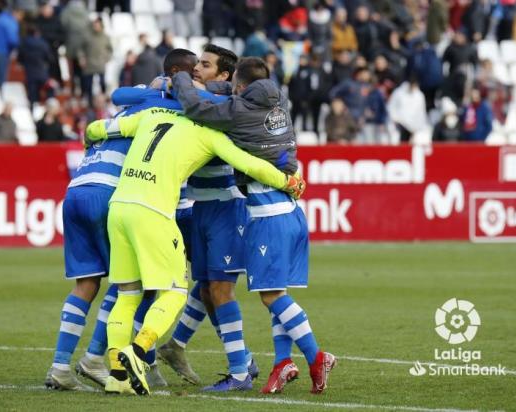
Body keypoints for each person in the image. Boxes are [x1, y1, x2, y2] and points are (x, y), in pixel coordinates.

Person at [83, 94, 304, 398]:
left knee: (127, 294)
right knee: (174, 292)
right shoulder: (208, 134)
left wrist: (88, 136)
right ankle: (137, 350)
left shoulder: (152, 117)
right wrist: (289, 182)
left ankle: (117, 375)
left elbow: (99, 128)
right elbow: (252, 164)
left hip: (118, 209)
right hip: (153, 212)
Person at [171, 56, 336, 395]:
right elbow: (230, 94)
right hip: (291, 212)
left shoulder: (240, 111)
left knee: (271, 296)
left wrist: (182, 80)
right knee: (277, 292)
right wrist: (217, 87)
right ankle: (281, 362)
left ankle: (316, 356)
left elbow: (195, 107)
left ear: (240, 86)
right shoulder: (279, 103)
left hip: (266, 217)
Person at [45, 49, 202, 393]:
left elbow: (118, 95)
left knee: (86, 284)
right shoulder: (172, 105)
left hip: (77, 188)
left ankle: (60, 367)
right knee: (126, 285)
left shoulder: (136, 102)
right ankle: (98, 359)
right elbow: (202, 105)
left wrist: (154, 85)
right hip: (110, 191)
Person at [156, 45, 259, 389]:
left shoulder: (226, 104)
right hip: (199, 207)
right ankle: (236, 358)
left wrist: (182, 85)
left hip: (226, 208)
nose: (195, 68)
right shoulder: (197, 97)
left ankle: (240, 372)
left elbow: (214, 95)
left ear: (225, 75)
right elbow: (123, 94)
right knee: (207, 289)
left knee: (220, 288)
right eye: (196, 63)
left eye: (204, 64)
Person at [17, 26, 54, 107]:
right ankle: (50, 105)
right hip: (42, 72)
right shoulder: (43, 44)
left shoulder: (23, 43)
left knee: (32, 95)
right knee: (50, 89)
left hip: (30, 73)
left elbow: (20, 58)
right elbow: (49, 57)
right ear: (37, 33)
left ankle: (33, 110)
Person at [387, 78, 429, 143]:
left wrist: (420, 125)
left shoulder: (419, 95)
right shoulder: (399, 93)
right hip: (400, 124)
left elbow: (421, 111)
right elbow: (391, 106)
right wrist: (395, 119)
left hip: (414, 126)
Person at [0, 8, 23, 89]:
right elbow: (13, 40)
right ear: (15, 13)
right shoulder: (10, 22)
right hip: (2, 51)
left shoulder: (1, 18)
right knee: (2, 76)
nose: (20, 18)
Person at [84, 18, 112, 105]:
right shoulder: (88, 36)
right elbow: (81, 49)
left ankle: (103, 101)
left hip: (100, 64)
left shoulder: (105, 37)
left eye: (97, 25)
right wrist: (82, 58)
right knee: (88, 85)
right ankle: (90, 102)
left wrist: (106, 58)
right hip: (89, 64)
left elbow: (110, 49)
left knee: (102, 83)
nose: (96, 27)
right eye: (94, 25)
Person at [36, 2, 65, 83]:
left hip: (53, 49)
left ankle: (57, 84)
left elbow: (62, 36)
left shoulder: (57, 20)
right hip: (41, 51)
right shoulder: (38, 20)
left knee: (55, 69)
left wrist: (57, 43)